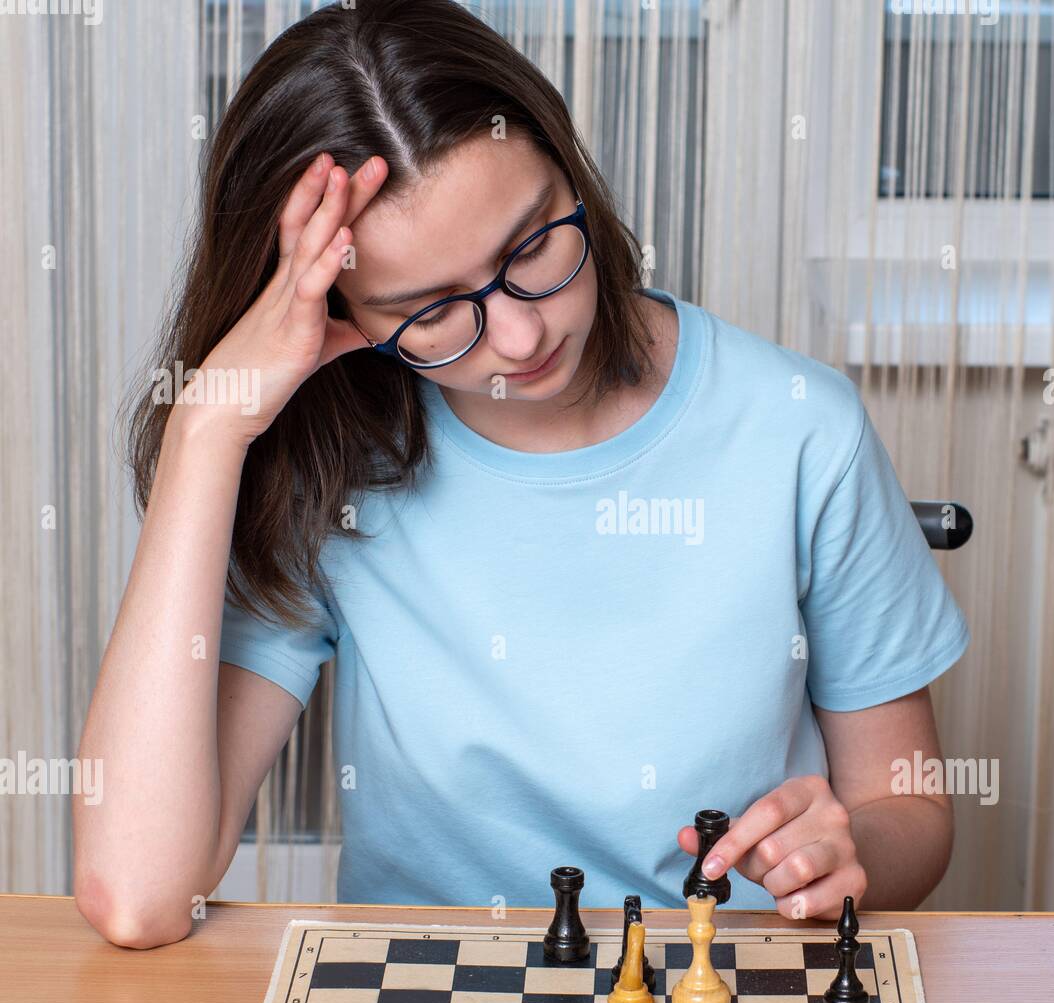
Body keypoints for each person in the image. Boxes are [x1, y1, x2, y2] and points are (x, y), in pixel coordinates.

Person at [74, 0, 969, 949]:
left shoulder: (802, 428)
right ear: (341, 315)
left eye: (531, 247)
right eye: (427, 311)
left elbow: (909, 816)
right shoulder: (340, 460)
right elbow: (139, 893)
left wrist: (848, 850)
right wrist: (209, 425)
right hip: (429, 999)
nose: (519, 335)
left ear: (568, 168)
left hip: (716, 992)